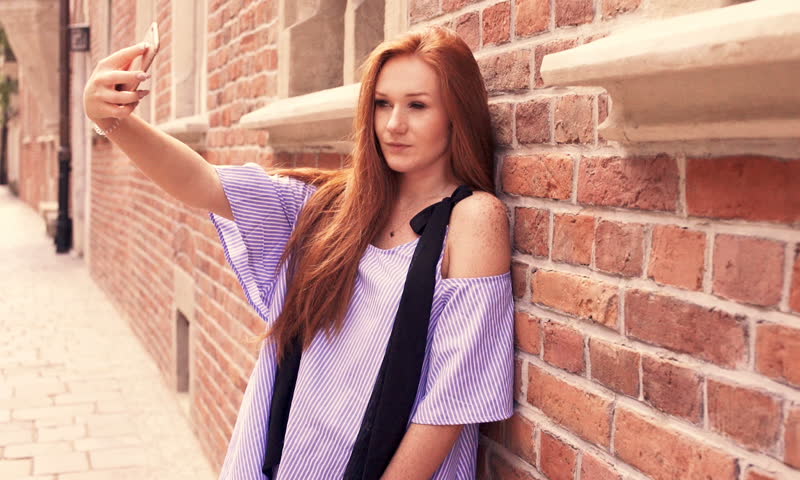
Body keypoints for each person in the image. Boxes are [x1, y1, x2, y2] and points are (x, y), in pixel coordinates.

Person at [84, 26, 514, 480]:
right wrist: (115, 121)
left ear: (456, 115)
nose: (393, 125)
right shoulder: (329, 208)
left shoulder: (470, 221)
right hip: (284, 459)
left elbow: (450, 402)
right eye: (382, 104)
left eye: (418, 106)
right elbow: (203, 183)